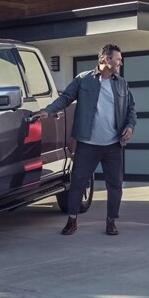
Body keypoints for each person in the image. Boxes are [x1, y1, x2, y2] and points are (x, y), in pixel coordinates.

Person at [31, 44, 136, 236]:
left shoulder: (121, 83)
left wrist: (129, 127)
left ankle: (111, 222)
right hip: (87, 143)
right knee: (77, 182)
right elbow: (65, 98)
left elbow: (131, 109)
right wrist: (48, 111)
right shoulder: (83, 80)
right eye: (118, 59)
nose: (120, 62)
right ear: (106, 59)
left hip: (113, 144)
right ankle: (72, 220)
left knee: (115, 185)